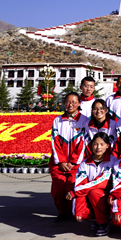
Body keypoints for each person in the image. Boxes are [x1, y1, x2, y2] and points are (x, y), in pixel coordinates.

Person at [50, 92, 90, 222]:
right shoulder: (57, 120)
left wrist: (73, 162)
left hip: (76, 164)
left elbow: (83, 143)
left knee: (71, 187)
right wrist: (61, 161)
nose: (70, 105)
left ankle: (73, 211)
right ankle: (63, 213)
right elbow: (54, 141)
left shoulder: (85, 120)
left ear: (79, 103)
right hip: (59, 163)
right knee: (58, 188)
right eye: (67, 102)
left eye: (74, 102)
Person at [68, 132, 116, 236]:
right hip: (89, 194)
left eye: (102, 144)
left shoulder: (113, 161)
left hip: (110, 197)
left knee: (95, 192)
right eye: (95, 144)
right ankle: (97, 219)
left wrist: (75, 192)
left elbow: (103, 182)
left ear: (108, 145)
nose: (98, 147)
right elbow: (79, 185)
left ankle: (103, 222)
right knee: (81, 212)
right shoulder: (84, 163)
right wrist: (79, 210)